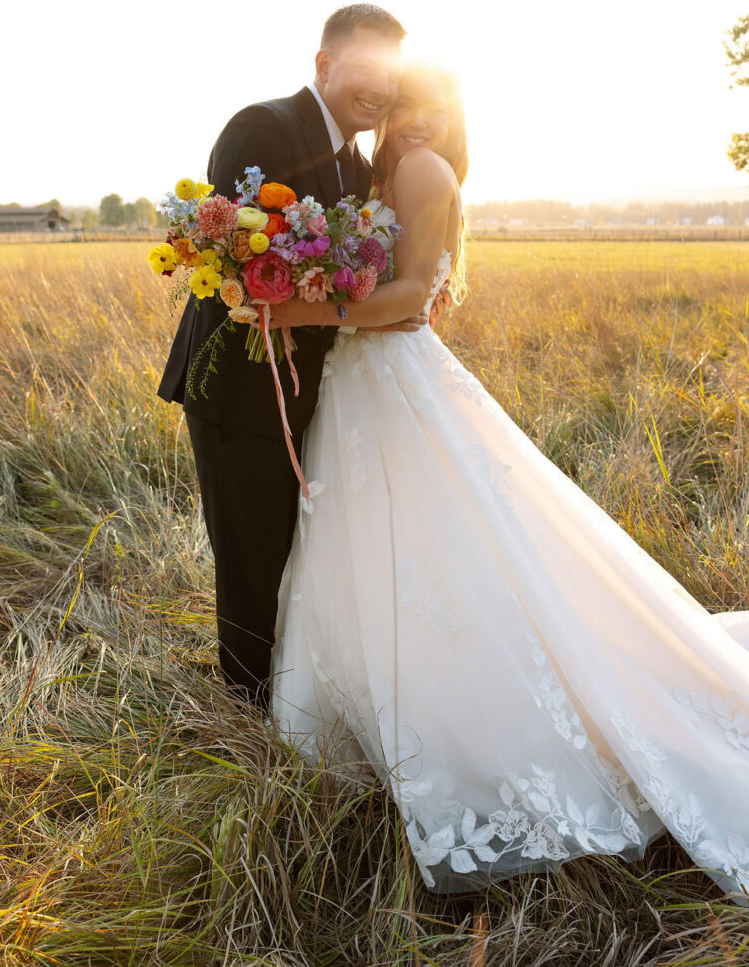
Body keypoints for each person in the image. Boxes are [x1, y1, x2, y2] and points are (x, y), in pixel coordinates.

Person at [267, 61, 749, 905]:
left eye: (414, 96)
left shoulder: (418, 166)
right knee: (389, 544)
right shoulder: (385, 169)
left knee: (434, 552)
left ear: (439, 109)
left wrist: (294, 311)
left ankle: (470, 739)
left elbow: (413, 296)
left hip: (392, 380)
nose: (398, 110)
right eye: (391, 97)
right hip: (368, 383)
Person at [157, 4, 449, 713]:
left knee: (290, 556)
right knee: (250, 558)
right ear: (323, 65)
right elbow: (231, 254)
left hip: (311, 389)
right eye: (366, 70)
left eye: (392, 76)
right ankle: (246, 710)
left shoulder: (356, 163)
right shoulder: (264, 127)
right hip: (240, 389)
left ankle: (287, 691)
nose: (379, 89)